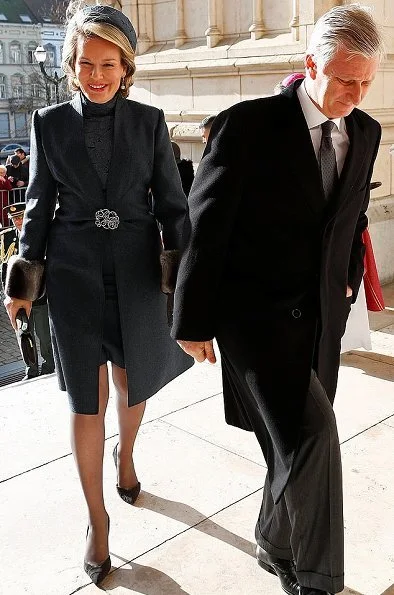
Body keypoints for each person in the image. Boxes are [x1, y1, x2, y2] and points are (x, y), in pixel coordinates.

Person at [172, 5, 383, 595]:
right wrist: (192, 320)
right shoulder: (246, 125)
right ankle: (320, 581)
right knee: (315, 437)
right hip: (254, 321)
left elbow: (352, 212)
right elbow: (205, 229)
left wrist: (344, 274)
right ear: (311, 64)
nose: (355, 94)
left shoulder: (366, 131)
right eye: (345, 79)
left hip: (320, 319)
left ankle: (272, 538)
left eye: (366, 83)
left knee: (291, 445)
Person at [4, 4, 192, 585]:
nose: (98, 74)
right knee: (87, 398)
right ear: (71, 65)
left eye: (109, 63)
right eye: (87, 63)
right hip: (75, 276)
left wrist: (185, 278)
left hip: (136, 274)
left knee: (134, 382)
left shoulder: (150, 122)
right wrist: (23, 282)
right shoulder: (48, 123)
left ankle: (126, 457)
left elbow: (172, 206)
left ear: (126, 66)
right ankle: (97, 519)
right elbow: (36, 209)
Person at [0, 203, 55, 378]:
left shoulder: (39, 236)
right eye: (14, 218)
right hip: (17, 298)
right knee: (24, 335)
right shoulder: (6, 239)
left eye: (20, 216)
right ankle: (30, 370)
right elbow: (4, 269)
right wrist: (7, 294)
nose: (18, 221)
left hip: (38, 297)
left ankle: (49, 365)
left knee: (44, 335)